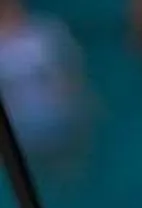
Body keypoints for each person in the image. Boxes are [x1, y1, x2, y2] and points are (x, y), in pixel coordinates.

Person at [0, 0, 88, 159]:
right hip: (22, 124)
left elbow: (71, 74)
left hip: (57, 118)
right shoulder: (47, 31)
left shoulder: (46, 31)